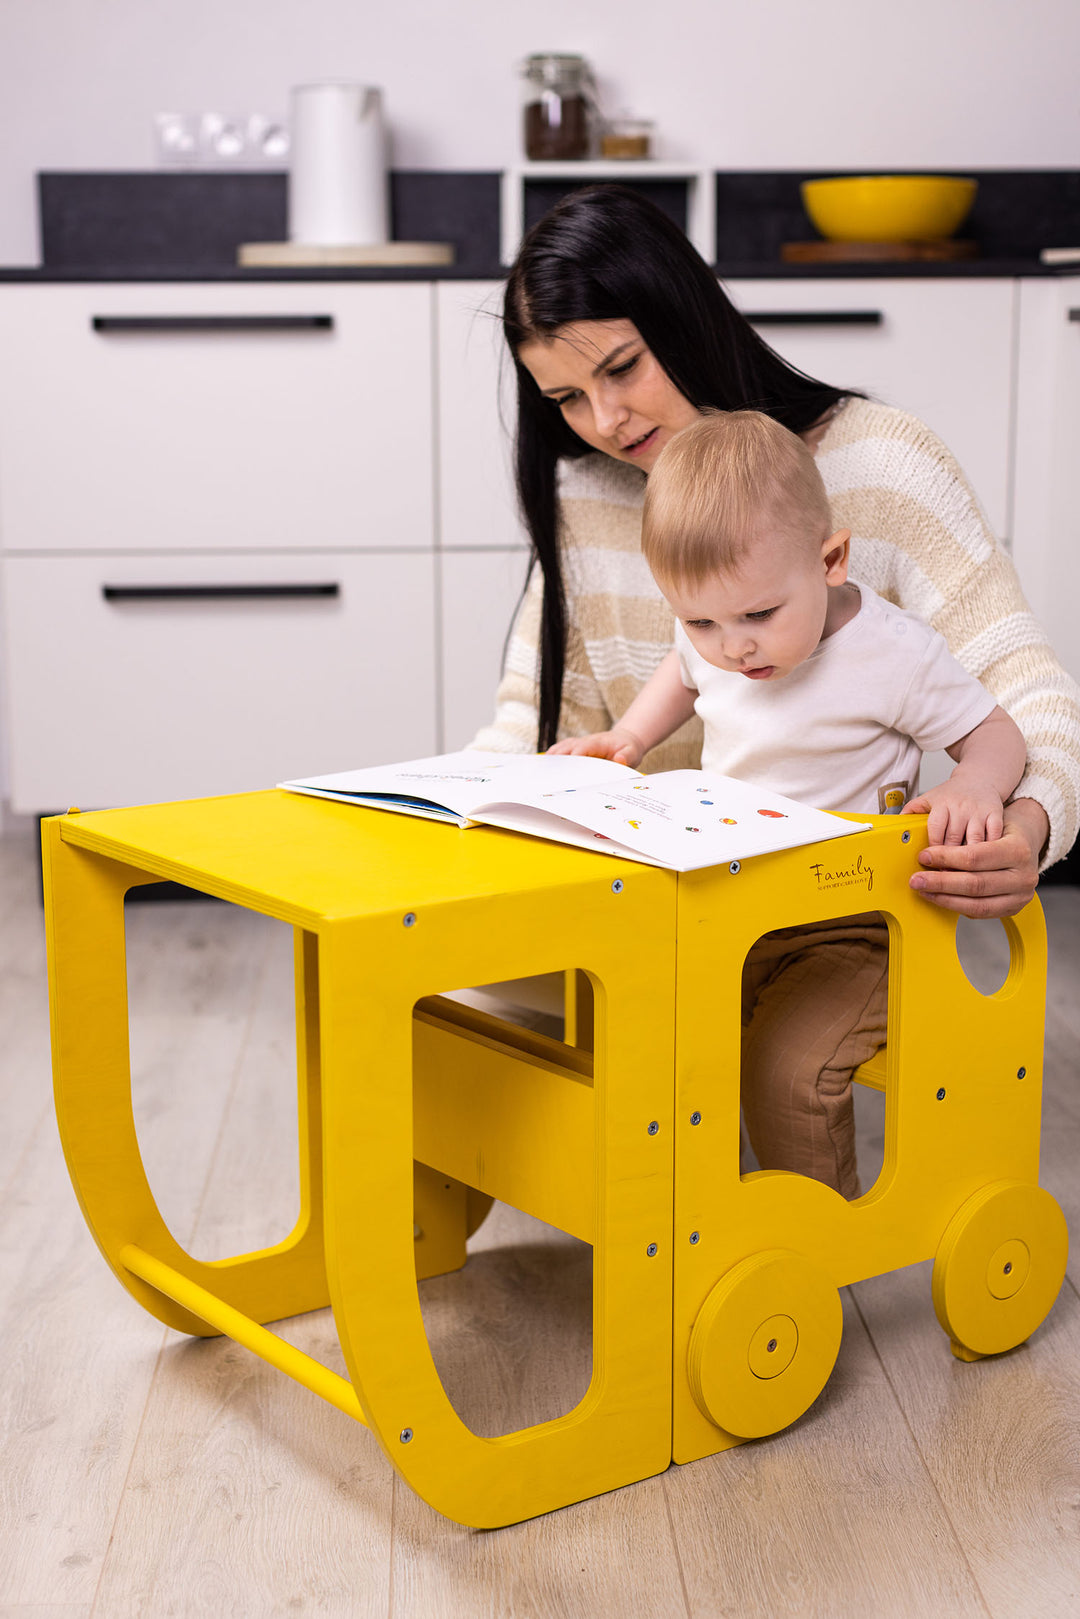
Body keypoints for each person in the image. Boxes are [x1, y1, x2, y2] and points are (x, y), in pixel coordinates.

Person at [471, 185, 1080, 917]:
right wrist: (459, 812)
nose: (604, 421)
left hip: (836, 904)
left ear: (685, 320)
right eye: (566, 398)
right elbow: (533, 722)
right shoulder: (585, 493)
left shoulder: (883, 464)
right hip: (667, 903)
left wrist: (1024, 823)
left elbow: (1028, 701)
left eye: (622, 368)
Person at [548, 410, 1026, 1195]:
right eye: (701, 620)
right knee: (654, 1038)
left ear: (830, 559)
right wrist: (628, 736)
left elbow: (997, 732)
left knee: (790, 1071)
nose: (733, 647)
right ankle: (693, 1215)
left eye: (759, 617)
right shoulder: (713, 636)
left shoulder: (892, 652)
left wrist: (974, 782)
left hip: (858, 928)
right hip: (729, 913)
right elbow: (683, 669)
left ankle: (814, 1239)